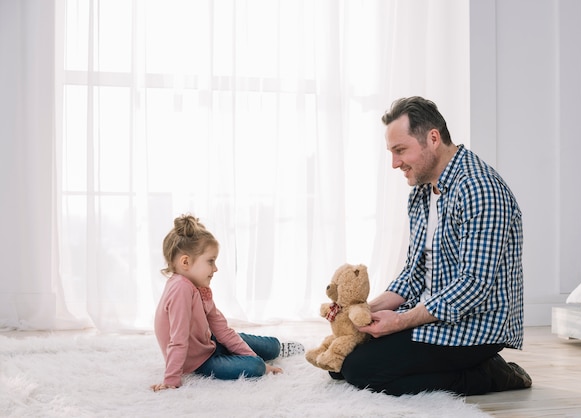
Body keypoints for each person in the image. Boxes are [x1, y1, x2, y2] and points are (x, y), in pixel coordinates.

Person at [331, 96, 532, 396]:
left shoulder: (480, 189)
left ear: (433, 138)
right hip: (431, 315)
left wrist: (398, 322)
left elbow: (472, 285)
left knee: (360, 370)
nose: (395, 163)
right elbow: (412, 274)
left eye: (400, 151)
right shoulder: (422, 192)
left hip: (474, 326)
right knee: (339, 363)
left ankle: (492, 374)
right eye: (391, 152)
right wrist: (360, 311)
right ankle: (459, 367)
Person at [151, 214, 304, 392]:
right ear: (185, 262)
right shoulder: (180, 289)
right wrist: (171, 380)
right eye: (210, 261)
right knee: (256, 367)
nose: (215, 268)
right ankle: (258, 360)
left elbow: (222, 329)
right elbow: (178, 340)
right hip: (199, 361)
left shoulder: (198, 288)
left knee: (270, 347)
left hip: (208, 343)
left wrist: (247, 353)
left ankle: (274, 350)